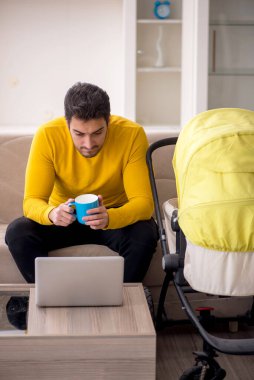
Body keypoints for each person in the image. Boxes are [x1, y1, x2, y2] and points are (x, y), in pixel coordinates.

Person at [5, 82, 158, 328]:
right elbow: (31, 202)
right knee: (18, 231)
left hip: (112, 217)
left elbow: (144, 204)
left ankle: (121, 301)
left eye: (98, 132)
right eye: (79, 134)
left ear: (108, 121)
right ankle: (54, 298)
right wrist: (52, 213)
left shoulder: (131, 134)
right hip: (64, 219)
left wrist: (110, 218)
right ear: (67, 124)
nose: (88, 143)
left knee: (145, 232)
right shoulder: (48, 135)